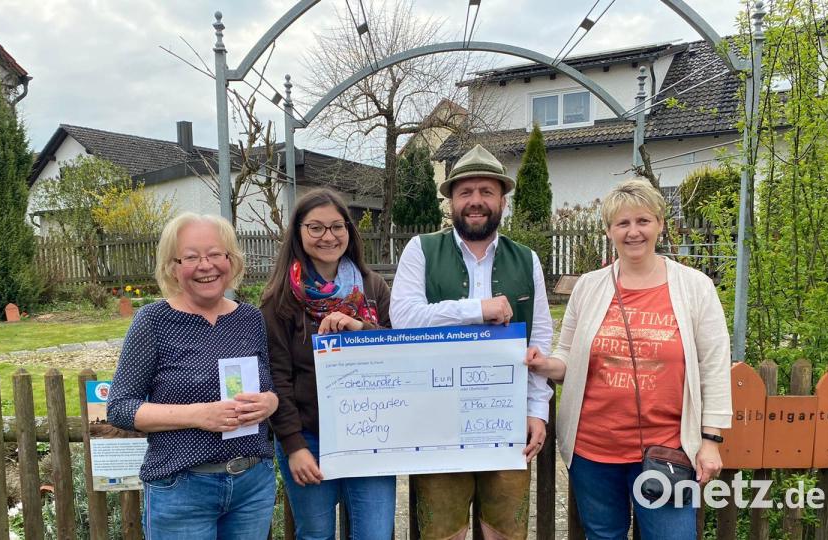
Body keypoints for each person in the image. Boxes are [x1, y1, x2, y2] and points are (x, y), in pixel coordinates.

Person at [525, 178, 732, 539]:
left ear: (660, 224)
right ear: (609, 230)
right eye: (622, 223)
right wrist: (544, 364)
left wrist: (711, 441)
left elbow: (714, 365)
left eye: (643, 221)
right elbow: (568, 357)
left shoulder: (694, 287)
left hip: (667, 450)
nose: (633, 232)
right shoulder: (589, 287)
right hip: (593, 451)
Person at [390, 144, 554, 540]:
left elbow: (540, 337)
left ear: (502, 200)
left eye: (486, 191)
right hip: (437, 420)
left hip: (506, 418)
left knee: (505, 531)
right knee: (443, 531)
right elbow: (404, 319)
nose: (475, 201)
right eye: (465, 192)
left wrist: (537, 410)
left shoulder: (526, 258)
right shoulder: (421, 249)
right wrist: (476, 310)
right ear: (451, 201)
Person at [107, 213, 279, 540]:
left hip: (252, 485)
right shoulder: (153, 321)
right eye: (191, 257)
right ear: (172, 267)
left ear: (231, 260)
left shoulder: (250, 318)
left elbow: (267, 387)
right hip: (182, 490)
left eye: (215, 254)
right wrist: (200, 415)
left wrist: (270, 402)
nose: (206, 266)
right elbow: (120, 408)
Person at [261, 188, 396, 540]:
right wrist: (294, 446)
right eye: (316, 228)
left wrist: (359, 328)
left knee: (375, 535)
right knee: (316, 535)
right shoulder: (280, 298)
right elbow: (276, 376)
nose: (328, 236)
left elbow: (397, 355)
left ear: (348, 231)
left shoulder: (373, 287)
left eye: (337, 226)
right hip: (309, 437)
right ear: (299, 232)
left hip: (371, 435)